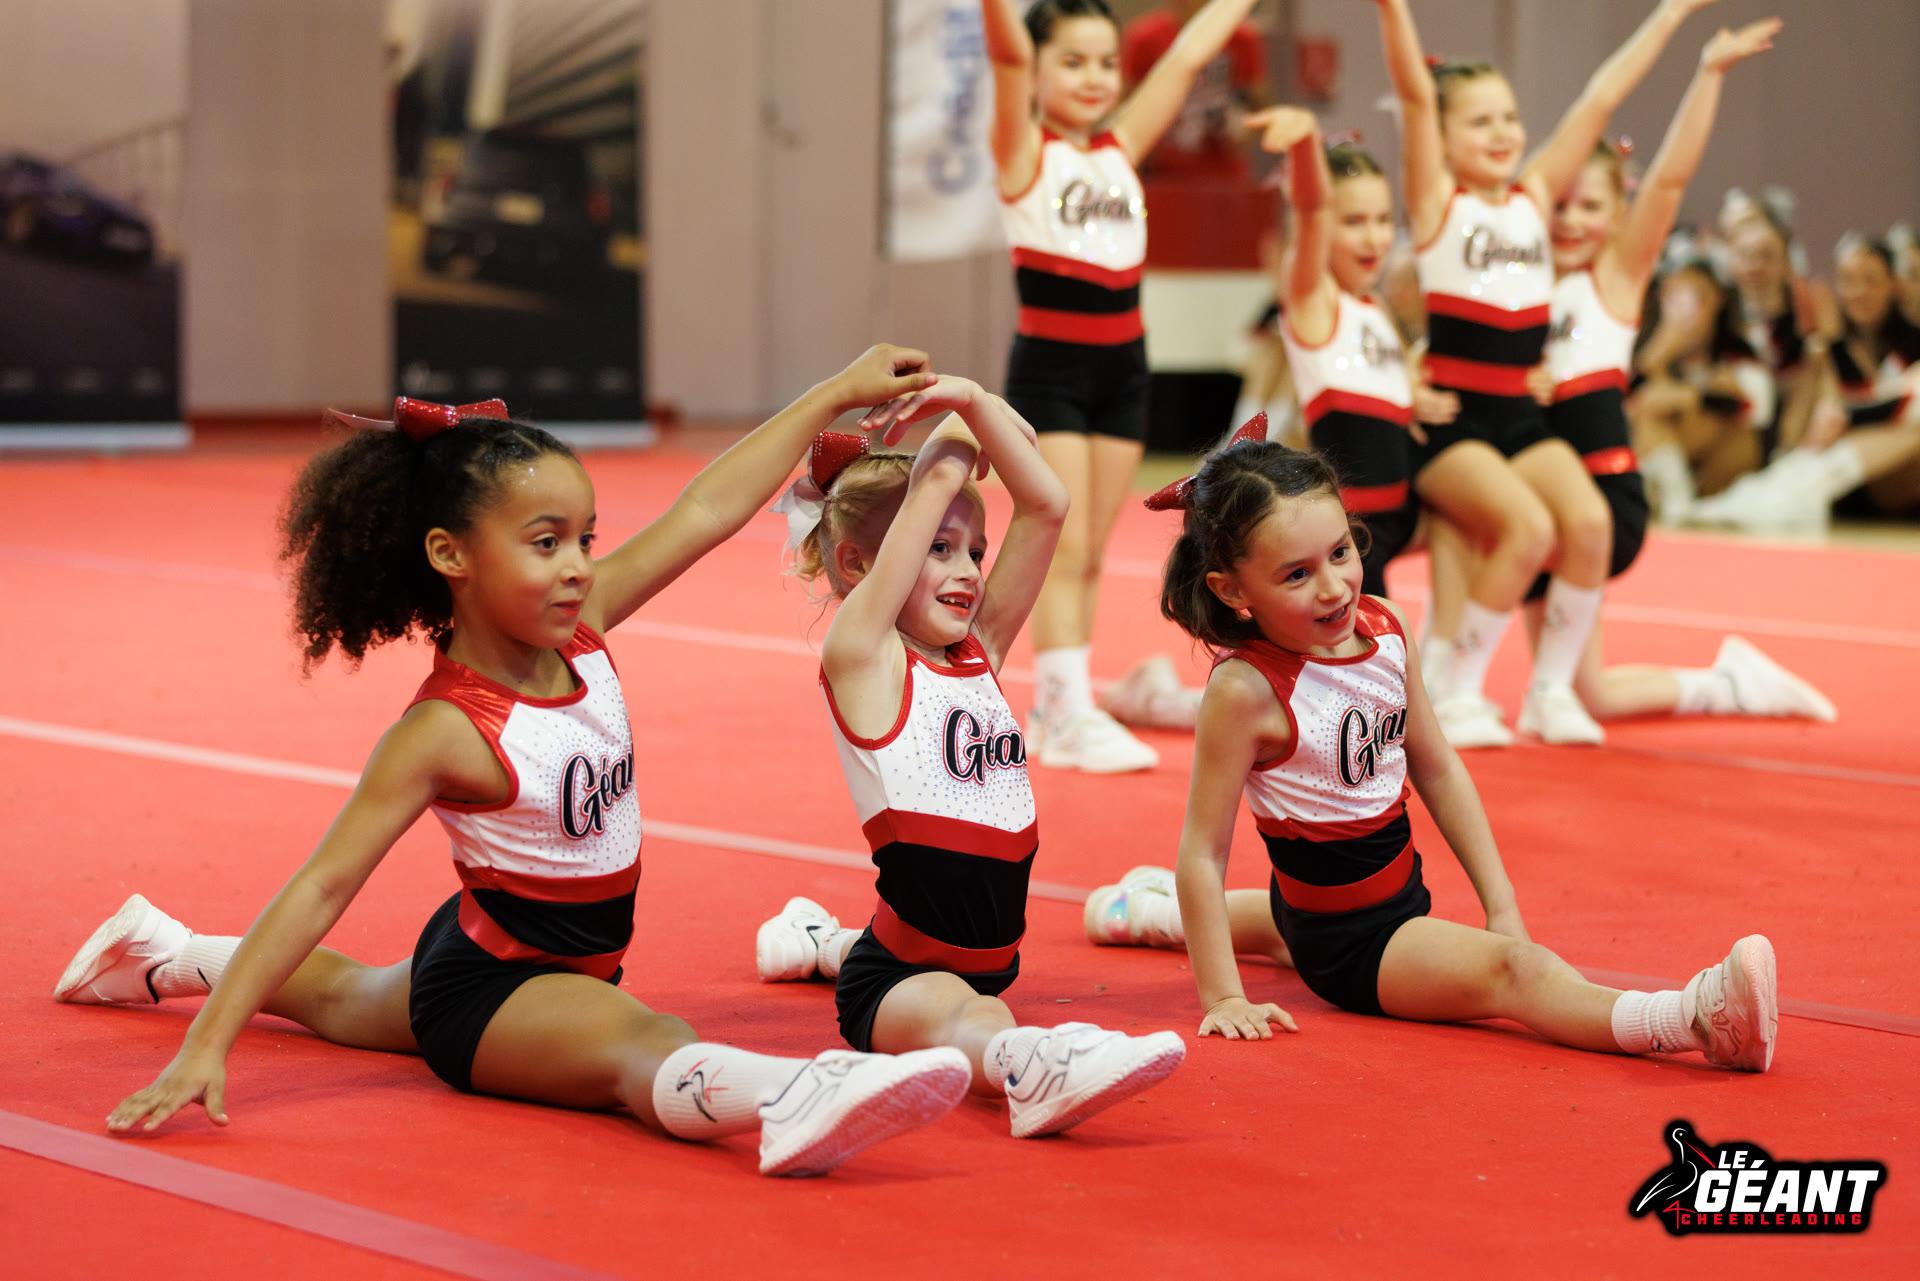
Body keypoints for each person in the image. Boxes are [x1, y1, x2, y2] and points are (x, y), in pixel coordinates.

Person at [55, 358, 984, 1177]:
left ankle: (161, 951)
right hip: (492, 991)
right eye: (546, 544)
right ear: (450, 554)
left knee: (340, 996)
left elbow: (706, 508)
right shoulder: (446, 728)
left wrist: (836, 392)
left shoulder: (583, 631)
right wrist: (205, 1050)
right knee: (645, 1040)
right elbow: (321, 886)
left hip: (488, 944)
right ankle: (790, 1097)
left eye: (584, 539)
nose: (578, 566)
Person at [1088, 424, 1777, 1074]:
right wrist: (1223, 997)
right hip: (1351, 943)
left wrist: (1501, 903)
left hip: (1337, 904)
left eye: (1340, 552)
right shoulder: (1246, 690)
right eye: (1295, 575)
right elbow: (1203, 853)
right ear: (1233, 590)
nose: (1332, 586)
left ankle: (1138, 912)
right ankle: (1694, 1020)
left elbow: (1439, 768)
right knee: (1517, 973)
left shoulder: (1385, 627)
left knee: (1274, 927)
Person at [753, 376, 1187, 1137]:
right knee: (972, 1018)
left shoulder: (977, 651)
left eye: (976, 552)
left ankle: (818, 940)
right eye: (939, 548)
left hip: (990, 959)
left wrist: (979, 403)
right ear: (856, 566)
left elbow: (1048, 504)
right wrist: (954, 431)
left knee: (975, 1001)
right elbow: (934, 489)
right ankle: (1035, 1067)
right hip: (899, 979)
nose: (967, 571)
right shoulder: (865, 657)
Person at [1426, 17, 1828, 724]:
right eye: (1562, 206)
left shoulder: (1613, 278)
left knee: (1479, 531)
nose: (1570, 221)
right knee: (1597, 694)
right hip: (1527, 483)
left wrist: (1708, 74)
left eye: (1592, 207)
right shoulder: (1513, 275)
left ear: (1618, 215)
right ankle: (1727, 684)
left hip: (1599, 496)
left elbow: (1669, 178)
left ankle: (1447, 683)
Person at [1374, 0, 1724, 747]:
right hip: (1457, 423)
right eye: (1479, 122)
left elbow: (1600, 97)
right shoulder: (1439, 206)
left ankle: (1550, 691)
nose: (1503, 132)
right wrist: (1392, 11)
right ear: (1442, 137)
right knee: (1527, 528)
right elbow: (1413, 95)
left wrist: (1668, 18)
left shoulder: (1534, 198)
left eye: (1509, 117)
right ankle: (1459, 690)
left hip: (1520, 421)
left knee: (1589, 521)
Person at [981, 0, 1264, 769]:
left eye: (1107, 63)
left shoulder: (1120, 146)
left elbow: (1185, 58)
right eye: (1072, 61)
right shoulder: (1023, 150)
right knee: (1062, 543)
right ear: (1035, 70)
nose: (1094, 77)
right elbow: (1005, 56)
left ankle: (1067, 702)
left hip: (1125, 367)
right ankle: (1059, 708)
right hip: (1053, 369)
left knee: (1092, 549)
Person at [1120, 0, 1270, 180]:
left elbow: (1259, 107)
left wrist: (1241, 129)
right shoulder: (1144, 37)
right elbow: (1124, 109)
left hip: (1224, 173)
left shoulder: (1242, 37)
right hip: (1160, 175)